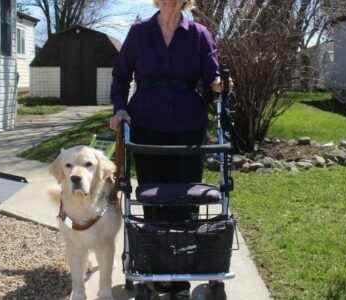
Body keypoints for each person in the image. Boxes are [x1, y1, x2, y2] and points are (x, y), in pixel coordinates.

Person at [109, 0, 229, 298]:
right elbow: (121, 74)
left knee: (185, 200)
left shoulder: (199, 34)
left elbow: (212, 75)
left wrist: (219, 84)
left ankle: (180, 277)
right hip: (147, 125)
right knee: (153, 198)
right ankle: (154, 270)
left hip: (188, 127)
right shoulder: (139, 33)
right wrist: (120, 109)